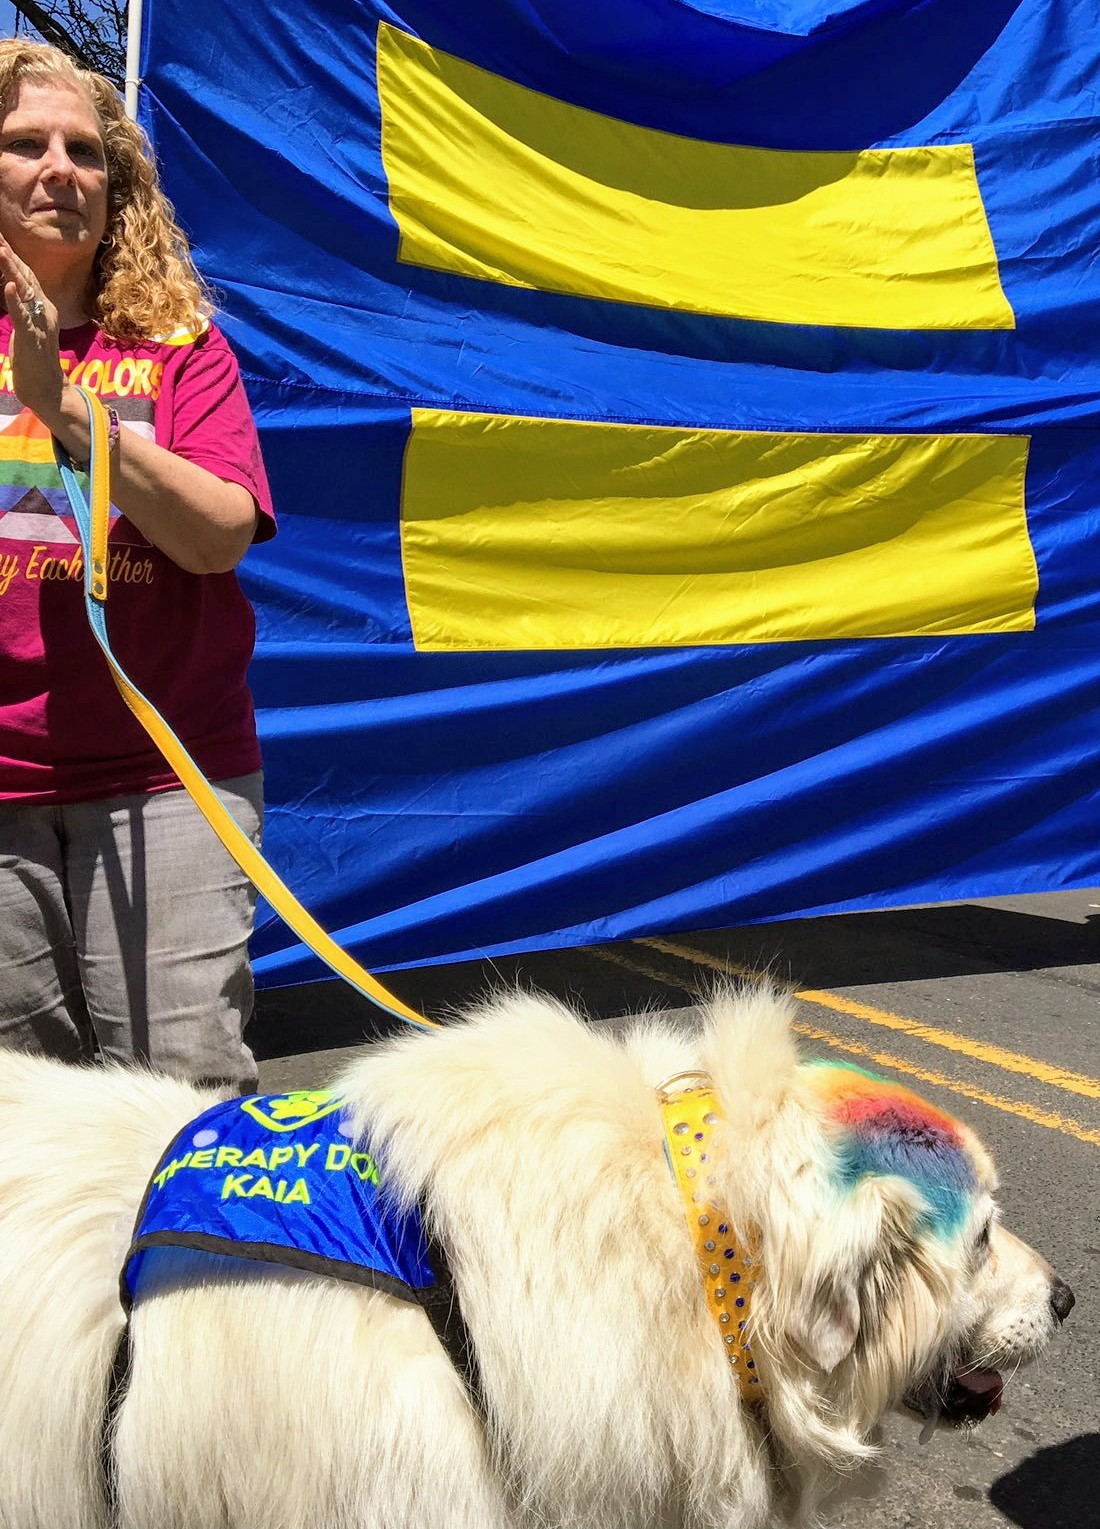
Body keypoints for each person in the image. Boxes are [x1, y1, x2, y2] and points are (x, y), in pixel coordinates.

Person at [0, 39, 276, 1091]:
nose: (59, 169)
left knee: (182, 1093)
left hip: (167, 776)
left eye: (85, 151)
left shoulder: (177, 344)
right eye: (25, 144)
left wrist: (66, 409)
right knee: (26, 1117)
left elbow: (217, 535)